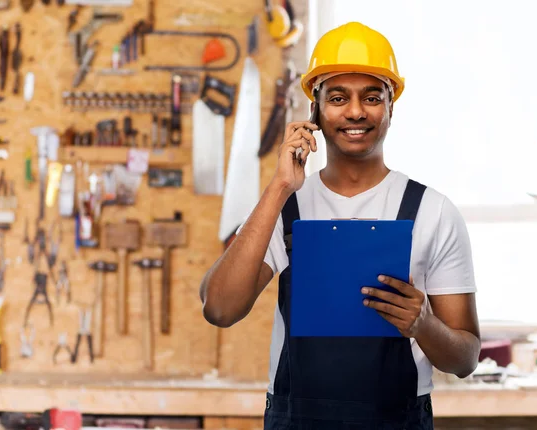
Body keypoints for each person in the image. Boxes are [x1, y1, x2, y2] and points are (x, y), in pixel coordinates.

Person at [200, 21, 481, 429]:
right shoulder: (286, 206)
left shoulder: (432, 212)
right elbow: (220, 308)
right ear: (314, 109)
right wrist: (279, 187)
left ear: (390, 107)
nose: (354, 111)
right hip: (298, 418)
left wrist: (424, 325)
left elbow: (465, 359)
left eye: (371, 97)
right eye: (337, 97)